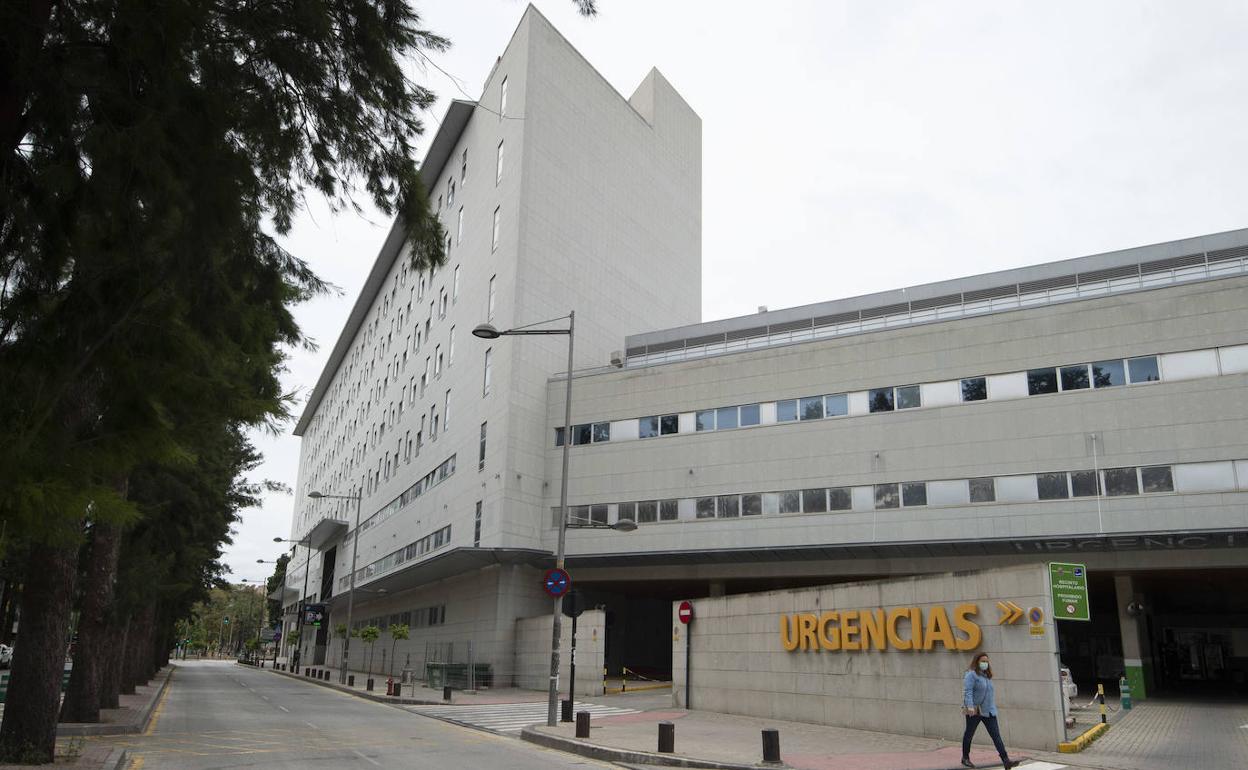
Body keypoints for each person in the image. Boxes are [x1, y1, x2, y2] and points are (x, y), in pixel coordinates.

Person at [961, 653, 1018, 769]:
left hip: (989, 711)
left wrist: (993, 708)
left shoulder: (987, 675)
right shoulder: (971, 675)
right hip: (975, 711)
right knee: (969, 734)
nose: (985, 664)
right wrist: (970, 706)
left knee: (996, 735)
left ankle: (1006, 760)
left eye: (986, 661)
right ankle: (965, 758)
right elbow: (968, 691)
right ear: (977, 662)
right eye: (982, 661)